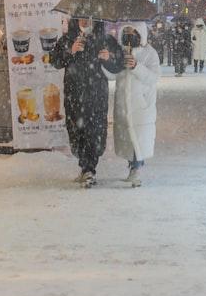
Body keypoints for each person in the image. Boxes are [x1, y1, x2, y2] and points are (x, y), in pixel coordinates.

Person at [48, 18, 123, 188]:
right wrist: (71, 51)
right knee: (76, 131)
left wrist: (108, 58)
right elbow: (54, 61)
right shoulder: (67, 39)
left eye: (89, 16)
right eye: (81, 16)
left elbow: (118, 66)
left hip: (97, 95)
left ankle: (90, 169)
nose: (85, 20)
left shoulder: (105, 39)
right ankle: (84, 166)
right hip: (73, 95)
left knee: (94, 130)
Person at [110, 24, 161, 185]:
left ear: (140, 34)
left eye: (132, 32)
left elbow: (154, 77)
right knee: (128, 139)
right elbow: (111, 75)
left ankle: (136, 168)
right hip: (123, 105)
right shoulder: (120, 52)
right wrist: (107, 61)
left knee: (139, 138)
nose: (129, 35)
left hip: (141, 104)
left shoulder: (150, 53)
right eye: (126, 32)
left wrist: (136, 67)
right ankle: (133, 166)